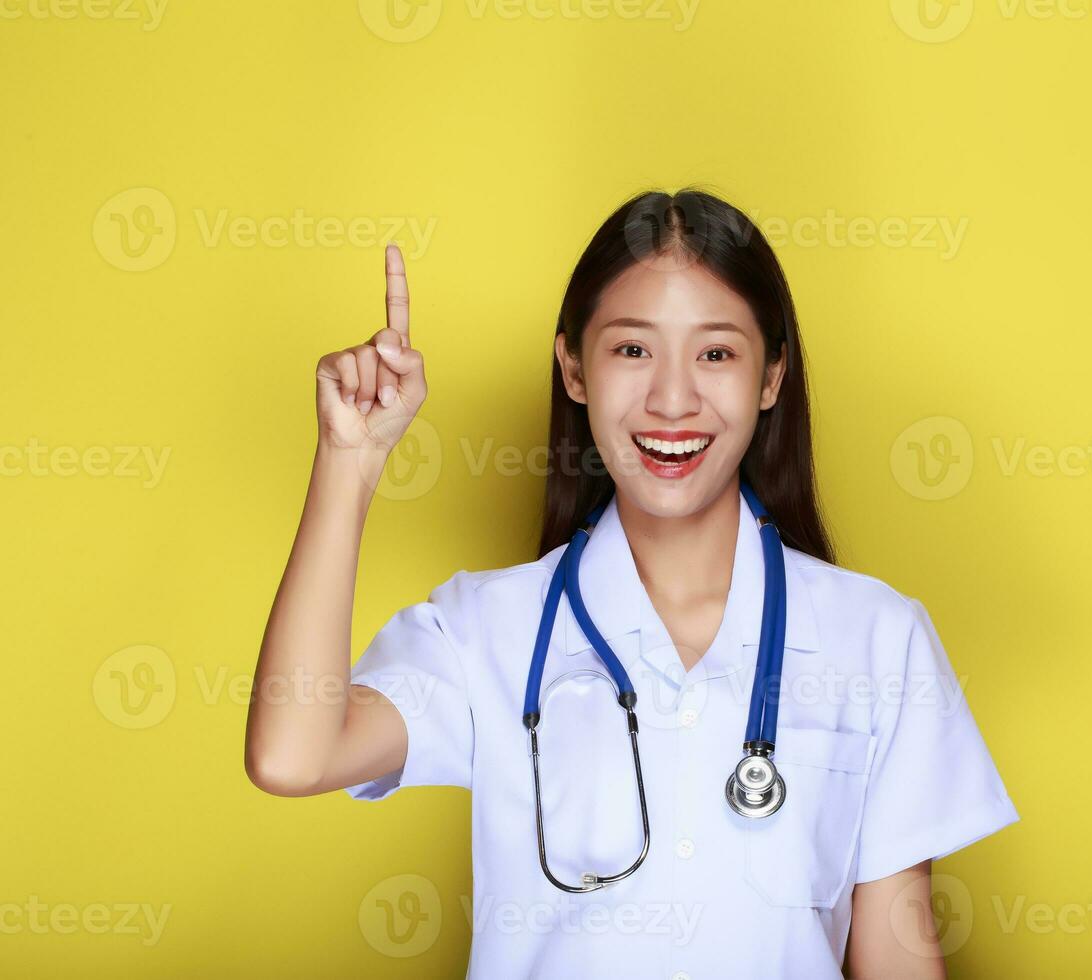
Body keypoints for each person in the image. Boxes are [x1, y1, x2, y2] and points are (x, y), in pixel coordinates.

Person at [244, 188, 1020, 979]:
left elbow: (897, 959)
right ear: (574, 369)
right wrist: (351, 461)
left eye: (716, 353)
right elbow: (292, 756)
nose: (673, 400)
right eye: (632, 351)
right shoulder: (487, 628)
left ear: (771, 375)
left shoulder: (879, 639)